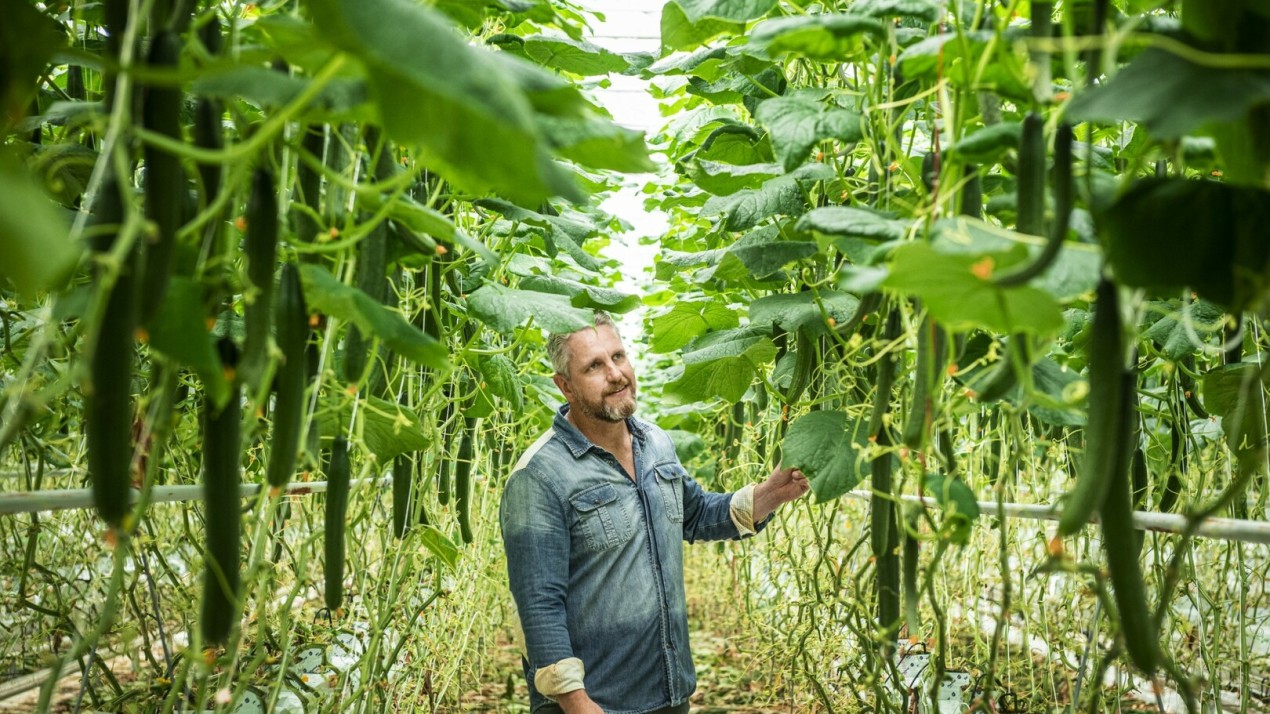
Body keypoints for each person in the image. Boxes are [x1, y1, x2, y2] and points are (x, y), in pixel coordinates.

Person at [499, 312, 810, 714]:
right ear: (566, 387)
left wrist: (768, 495)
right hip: (595, 703)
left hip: (669, 691)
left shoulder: (655, 442)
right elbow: (539, 604)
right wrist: (576, 702)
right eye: (594, 366)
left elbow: (695, 515)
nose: (615, 374)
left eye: (618, 356)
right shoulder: (539, 475)